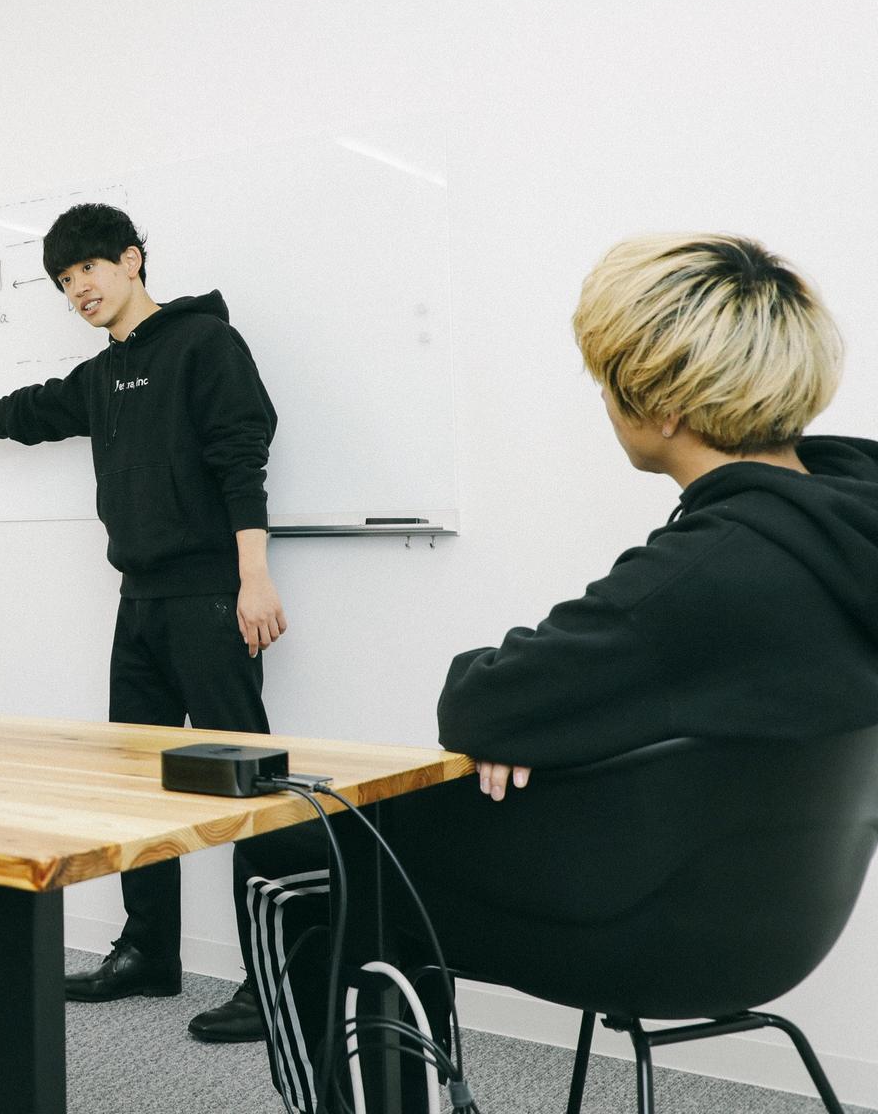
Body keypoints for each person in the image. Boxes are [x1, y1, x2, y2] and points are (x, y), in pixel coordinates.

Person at [240, 233, 878, 1111]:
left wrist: (530, 723)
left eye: (608, 380)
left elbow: (479, 702)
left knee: (294, 855)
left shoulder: (706, 570)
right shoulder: (842, 529)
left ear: (661, 404)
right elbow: (695, 697)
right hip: (781, 926)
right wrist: (552, 723)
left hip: (648, 932)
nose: (605, 402)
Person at [0, 202, 283, 1041]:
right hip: (138, 601)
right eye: (64, 279)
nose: (78, 287)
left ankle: (271, 980)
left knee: (248, 789)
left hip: (210, 596)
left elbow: (242, 456)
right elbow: (33, 411)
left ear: (132, 260)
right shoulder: (104, 374)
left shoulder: (205, 345)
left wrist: (254, 579)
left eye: (88, 268)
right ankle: (149, 952)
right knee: (136, 784)